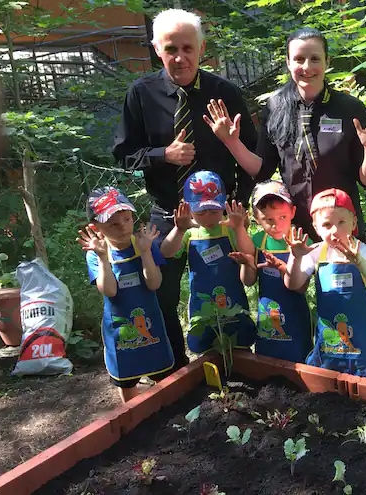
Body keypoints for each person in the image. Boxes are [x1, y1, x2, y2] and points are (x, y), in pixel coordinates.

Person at [112, 8, 259, 368]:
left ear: (201, 48)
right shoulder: (141, 94)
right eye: (170, 48)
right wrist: (164, 154)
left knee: (227, 289)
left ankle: (236, 362)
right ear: (156, 50)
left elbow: (252, 155)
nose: (180, 58)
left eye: (188, 48)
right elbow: (124, 154)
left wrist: (238, 205)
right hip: (167, 216)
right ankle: (174, 368)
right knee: (161, 292)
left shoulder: (223, 93)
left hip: (220, 217)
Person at [206, 27, 366, 241]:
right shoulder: (275, 107)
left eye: (315, 59)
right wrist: (232, 142)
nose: (307, 67)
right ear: (288, 62)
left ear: (326, 62)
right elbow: (262, 171)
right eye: (299, 59)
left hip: (339, 224)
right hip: (295, 227)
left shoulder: (349, 109)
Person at [77, 187, 175, 402]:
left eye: (127, 219)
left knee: (162, 376)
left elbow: (154, 283)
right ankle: (133, 418)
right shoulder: (97, 255)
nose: (123, 227)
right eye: (113, 224)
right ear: (96, 228)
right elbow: (109, 290)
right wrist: (103, 258)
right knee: (127, 380)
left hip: (151, 324)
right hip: (119, 332)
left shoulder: (144, 245)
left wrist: (147, 252)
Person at [284, 188, 366, 378]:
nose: (335, 230)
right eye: (327, 225)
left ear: (353, 222)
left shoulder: (364, 251)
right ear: (316, 227)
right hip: (329, 339)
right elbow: (293, 284)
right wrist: (295, 257)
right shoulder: (316, 252)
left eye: (341, 222)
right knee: (327, 382)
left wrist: (358, 261)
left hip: (362, 337)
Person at [160, 171, 256, 353]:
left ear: (224, 205)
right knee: (204, 344)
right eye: (201, 212)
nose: (208, 217)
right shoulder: (189, 232)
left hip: (233, 299)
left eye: (214, 211)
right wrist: (179, 230)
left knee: (240, 340)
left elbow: (248, 252)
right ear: (187, 208)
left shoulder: (228, 229)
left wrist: (239, 228)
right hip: (201, 303)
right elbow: (167, 252)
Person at [230, 180, 314, 363]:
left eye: (282, 217)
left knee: (300, 359)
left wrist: (282, 268)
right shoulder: (258, 241)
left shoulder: (300, 242)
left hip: (296, 315)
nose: (276, 225)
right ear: (256, 217)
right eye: (269, 219)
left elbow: (301, 288)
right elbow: (249, 281)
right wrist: (247, 264)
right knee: (267, 362)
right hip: (267, 315)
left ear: (292, 212)